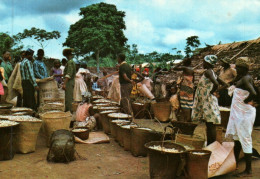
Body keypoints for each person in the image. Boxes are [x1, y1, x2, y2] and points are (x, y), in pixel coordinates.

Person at [225, 57, 257, 177]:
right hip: (239, 114)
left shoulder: (245, 79)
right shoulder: (243, 77)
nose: (236, 69)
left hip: (244, 114)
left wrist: (245, 101)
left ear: (243, 68)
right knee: (237, 139)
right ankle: (235, 163)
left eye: (238, 67)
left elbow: (253, 93)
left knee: (245, 140)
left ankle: (248, 170)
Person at [192, 55, 227, 145]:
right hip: (208, 100)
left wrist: (211, 91)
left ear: (207, 63)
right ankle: (210, 144)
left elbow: (216, 83)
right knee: (209, 123)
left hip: (208, 101)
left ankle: (212, 145)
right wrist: (215, 91)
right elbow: (225, 84)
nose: (203, 63)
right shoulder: (213, 72)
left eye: (204, 62)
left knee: (211, 124)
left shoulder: (208, 72)